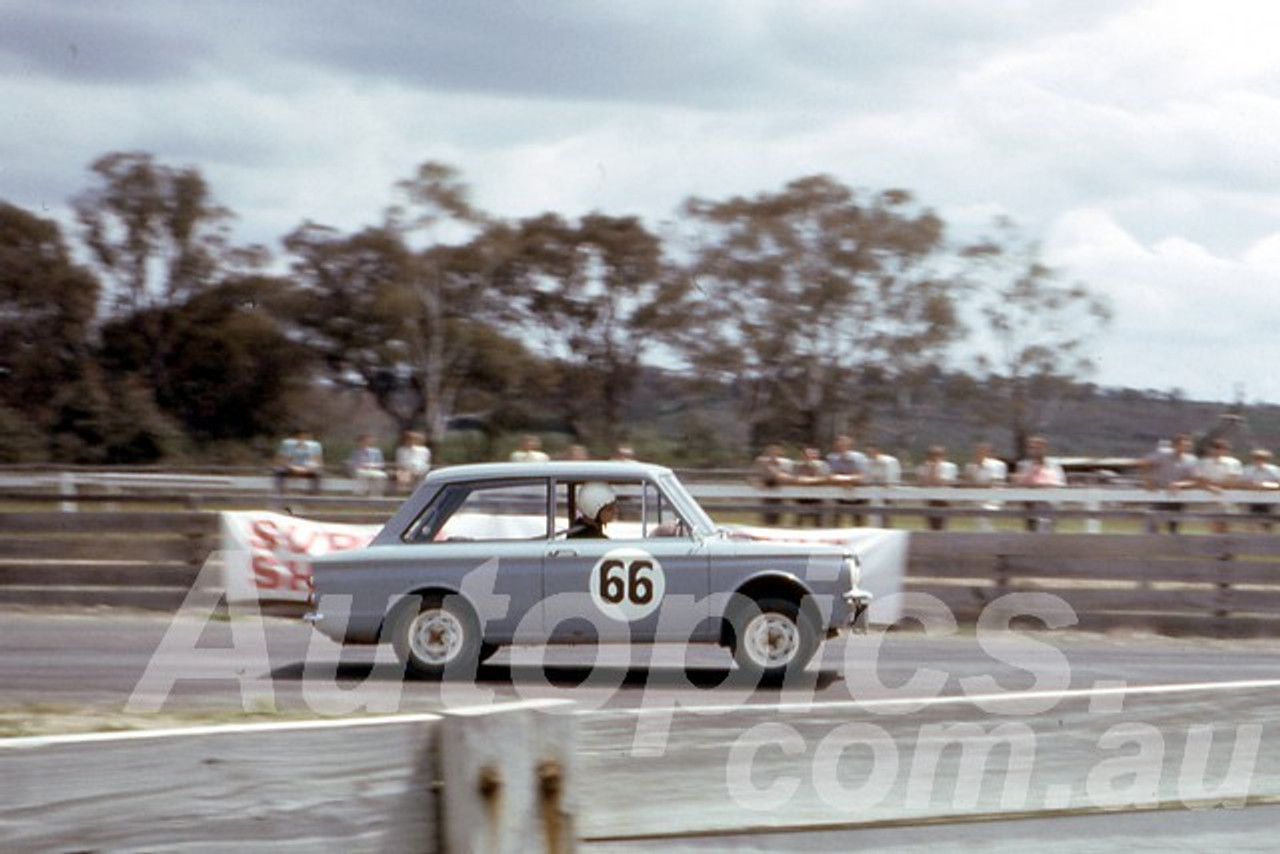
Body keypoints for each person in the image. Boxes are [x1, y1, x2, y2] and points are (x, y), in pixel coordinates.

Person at [1142, 434, 1198, 534]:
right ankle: (1150, 544)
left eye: (1187, 446)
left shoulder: (1192, 460)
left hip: (1178, 496)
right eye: (1182, 445)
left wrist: (1180, 484)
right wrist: (1148, 480)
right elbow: (1146, 464)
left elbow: (1194, 480)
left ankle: (1172, 546)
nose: (1184, 448)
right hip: (1159, 493)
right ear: (1174, 445)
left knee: (1174, 525)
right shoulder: (1162, 455)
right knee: (1153, 520)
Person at [1012, 436, 1065, 531]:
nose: (1035, 451)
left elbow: (1060, 482)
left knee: (1047, 529)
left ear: (1045, 449)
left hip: (1048, 502)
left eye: (1039, 448)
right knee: (1031, 529)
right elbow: (1019, 482)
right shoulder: (1023, 465)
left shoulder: (1054, 465)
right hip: (1029, 503)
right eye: (1032, 448)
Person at [1197, 438, 1242, 533]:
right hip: (1209, 498)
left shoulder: (1234, 463)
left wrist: (1214, 484)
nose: (1218, 451)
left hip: (1228, 498)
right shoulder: (1202, 463)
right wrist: (1209, 487)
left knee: (1227, 524)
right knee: (1212, 525)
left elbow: (1232, 481)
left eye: (1222, 448)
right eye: (1215, 448)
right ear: (1210, 449)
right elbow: (1199, 480)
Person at [962, 442, 1008, 531]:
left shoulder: (998, 465)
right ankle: (986, 537)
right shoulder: (970, 466)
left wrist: (975, 486)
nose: (979, 454)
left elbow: (993, 484)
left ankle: (986, 537)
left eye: (983, 451)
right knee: (979, 519)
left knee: (982, 516)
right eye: (977, 451)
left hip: (992, 500)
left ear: (989, 452)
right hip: (976, 500)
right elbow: (966, 484)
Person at [827, 434, 868, 526]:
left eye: (843, 443)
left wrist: (846, 479)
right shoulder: (832, 458)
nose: (840, 445)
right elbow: (831, 476)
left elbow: (861, 476)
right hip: (839, 491)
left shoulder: (859, 457)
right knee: (836, 518)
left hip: (858, 492)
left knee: (859, 518)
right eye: (838, 442)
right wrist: (845, 480)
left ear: (849, 444)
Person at [750, 442, 795, 526]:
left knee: (780, 517)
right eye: (771, 450)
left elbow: (790, 477)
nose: (773, 452)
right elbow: (753, 475)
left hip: (781, 493)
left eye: (776, 450)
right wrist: (757, 483)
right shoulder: (761, 461)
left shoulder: (786, 463)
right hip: (766, 493)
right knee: (766, 516)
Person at [916, 445, 958, 531]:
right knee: (931, 525)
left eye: (938, 454)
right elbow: (921, 483)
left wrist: (934, 469)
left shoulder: (949, 467)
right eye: (931, 454)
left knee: (943, 525)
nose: (934, 457)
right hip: (929, 499)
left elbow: (944, 482)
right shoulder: (922, 467)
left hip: (944, 500)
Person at [273, 429, 324, 494]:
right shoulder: (287, 444)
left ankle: (314, 496)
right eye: (300, 437)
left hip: (308, 468)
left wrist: (308, 468)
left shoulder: (315, 445)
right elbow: (282, 460)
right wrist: (293, 468)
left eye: (305, 437)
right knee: (279, 471)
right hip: (291, 467)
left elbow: (318, 462)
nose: (302, 439)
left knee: (318, 473)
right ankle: (279, 494)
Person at [1240, 448, 1280, 531]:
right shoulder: (1247, 470)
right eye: (1256, 458)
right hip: (1251, 500)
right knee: (1251, 523)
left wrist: (1266, 486)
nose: (1259, 460)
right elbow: (1240, 484)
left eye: (1262, 458)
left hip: (1270, 501)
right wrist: (1251, 486)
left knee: (1269, 523)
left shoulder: (1274, 470)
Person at [793, 446, 832, 527]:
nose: (809, 457)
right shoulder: (796, 465)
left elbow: (827, 478)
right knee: (798, 522)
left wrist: (814, 473)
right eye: (806, 454)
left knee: (820, 523)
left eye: (811, 454)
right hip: (801, 497)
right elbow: (793, 479)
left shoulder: (823, 465)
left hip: (819, 498)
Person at [865, 444, 902, 528]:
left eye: (871, 452)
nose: (869, 454)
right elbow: (868, 478)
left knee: (887, 517)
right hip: (874, 493)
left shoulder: (890, 461)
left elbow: (891, 479)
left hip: (888, 493)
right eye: (868, 452)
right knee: (874, 517)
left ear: (878, 451)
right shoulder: (868, 462)